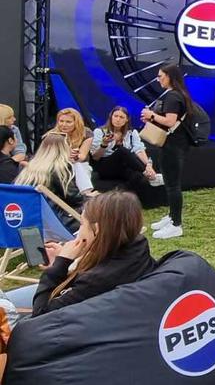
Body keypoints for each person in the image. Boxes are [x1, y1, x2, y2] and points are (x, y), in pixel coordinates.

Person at [20, 191, 157, 317]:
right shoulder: (137, 246)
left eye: (81, 224)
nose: (79, 230)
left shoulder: (95, 281)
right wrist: (65, 260)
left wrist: (58, 266)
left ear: (97, 229)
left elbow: (40, 313)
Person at [142, 63, 195, 240]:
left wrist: (152, 116)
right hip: (173, 144)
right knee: (171, 182)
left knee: (172, 185)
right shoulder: (178, 94)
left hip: (173, 145)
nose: (158, 80)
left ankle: (176, 224)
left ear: (170, 77)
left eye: (161, 76)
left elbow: (170, 121)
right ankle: (172, 217)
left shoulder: (173, 96)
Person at [14, 132, 83, 229]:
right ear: (64, 149)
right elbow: (75, 199)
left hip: (28, 217)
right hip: (54, 220)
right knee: (95, 205)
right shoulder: (60, 168)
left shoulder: (29, 167)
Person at [91, 106, 162, 193]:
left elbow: (139, 150)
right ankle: (152, 177)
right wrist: (104, 144)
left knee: (137, 174)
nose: (118, 119)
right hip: (105, 167)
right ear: (111, 117)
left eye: (121, 117)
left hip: (123, 167)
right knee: (122, 151)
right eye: (115, 116)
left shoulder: (132, 133)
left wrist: (148, 166)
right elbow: (95, 157)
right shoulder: (100, 131)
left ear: (127, 119)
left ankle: (148, 180)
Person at [51, 108, 95, 196]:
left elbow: (82, 156)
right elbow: (50, 155)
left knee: (76, 164)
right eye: (61, 121)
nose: (64, 125)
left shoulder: (86, 133)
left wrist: (74, 156)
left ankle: (84, 194)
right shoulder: (53, 134)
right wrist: (66, 155)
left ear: (76, 122)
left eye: (68, 122)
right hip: (56, 163)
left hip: (79, 163)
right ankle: (86, 192)